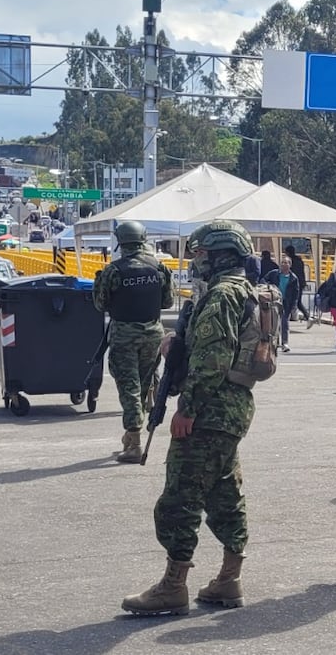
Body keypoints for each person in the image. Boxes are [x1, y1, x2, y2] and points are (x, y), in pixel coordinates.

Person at [122, 220, 257, 616]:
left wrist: (187, 409)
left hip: (209, 412)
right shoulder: (238, 290)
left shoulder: (220, 296)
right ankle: (228, 579)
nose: (196, 260)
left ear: (220, 254)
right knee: (224, 493)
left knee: (179, 500)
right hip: (230, 410)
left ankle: (173, 585)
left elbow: (213, 361)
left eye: (201, 254)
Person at [93, 220, 175, 463]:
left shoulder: (114, 270)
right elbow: (167, 302)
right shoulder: (159, 268)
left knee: (129, 387)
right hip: (152, 333)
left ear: (121, 242)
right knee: (144, 382)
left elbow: (100, 304)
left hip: (124, 335)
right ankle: (131, 435)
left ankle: (135, 440)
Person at [262, 258, 301, 352]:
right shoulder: (274, 273)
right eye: (283, 262)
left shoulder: (293, 278)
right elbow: (263, 280)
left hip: (286, 303)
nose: (284, 264)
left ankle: (285, 343)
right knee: (273, 322)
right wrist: (268, 287)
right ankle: (274, 342)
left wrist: (294, 305)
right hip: (274, 301)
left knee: (284, 322)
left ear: (290, 265)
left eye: (286, 263)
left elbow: (296, 293)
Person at [284, 245, 309, 322]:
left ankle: (307, 315)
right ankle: (296, 315)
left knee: (295, 301)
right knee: (297, 301)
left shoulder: (290, 262)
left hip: (293, 283)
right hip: (301, 282)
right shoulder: (299, 260)